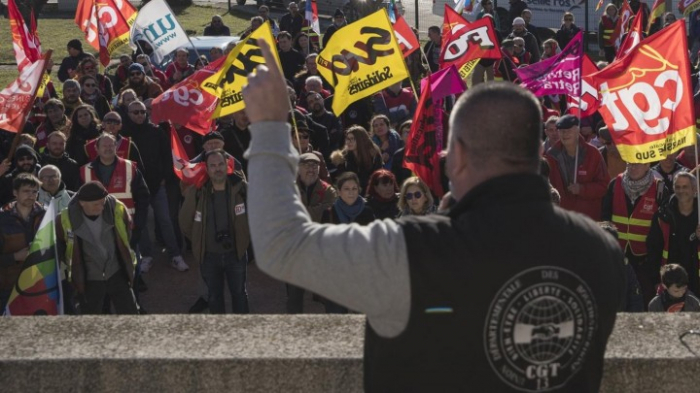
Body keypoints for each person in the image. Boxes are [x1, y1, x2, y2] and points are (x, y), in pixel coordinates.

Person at [242, 41, 625, 391]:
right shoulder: (602, 252)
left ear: (455, 153)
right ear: (536, 155)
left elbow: (282, 245)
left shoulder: (413, 249)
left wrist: (271, 128)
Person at [179, 149, 251, 314]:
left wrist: (246, 236)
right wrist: (198, 239)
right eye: (212, 165)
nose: (217, 168)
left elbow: (258, 214)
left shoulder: (241, 188)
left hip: (236, 254)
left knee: (239, 295)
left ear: (227, 165)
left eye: (220, 164)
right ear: (207, 168)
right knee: (214, 297)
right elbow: (184, 221)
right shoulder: (198, 191)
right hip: (209, 256)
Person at [56, 181, 140, 315]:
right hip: (88, 278)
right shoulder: (64, 219)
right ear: (82, 203)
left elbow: (127, 234)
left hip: (117, 272)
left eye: (103, 202)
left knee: (130, 312)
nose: (101, 207)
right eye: (96, 204)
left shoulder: (117, 208)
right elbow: (61, 247)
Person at [126, 101, 188, 273]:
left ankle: (175, 255)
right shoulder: (125, 134)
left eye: (142, 112)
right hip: (136, 188)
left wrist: (164, 178)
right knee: (142, 223)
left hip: (157, 185)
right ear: (128, 114)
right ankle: (147, 256)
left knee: (166, 221)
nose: (139, 115)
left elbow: (167, 157)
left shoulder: (156, 131)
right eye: (135, 112)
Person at [602, 162, 666, 307]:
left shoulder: (659, 188)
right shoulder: (615, 184)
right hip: (618, 254)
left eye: (637, 164)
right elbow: (605, 216)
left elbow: (662, 227)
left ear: (647, 165)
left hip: (646, 259)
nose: (632, 167)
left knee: (645, 298)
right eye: (630, 164)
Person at [80, 133, 150, 249]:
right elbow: (79, 201)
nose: (108, 148)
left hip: (126, 226)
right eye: (104, 146)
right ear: (96, 149)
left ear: (116, 147)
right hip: (96, 228)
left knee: (130, 263)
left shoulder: (130, 168)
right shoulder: (85, 171)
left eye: (111, 145)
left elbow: (143, 197)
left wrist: (138, 224)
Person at [287, 152, 337, 313]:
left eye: (315, 166)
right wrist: (316, 211)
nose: (311, 169)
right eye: (307, 165)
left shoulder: (328, 190)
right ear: (298, 168)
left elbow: (328, 214)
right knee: (294, 296)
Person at [546, 114, 609, 221]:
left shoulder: (593, 154)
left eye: (568, 130)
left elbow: (604, 186)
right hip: (562, 219)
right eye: (561, 130)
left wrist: (582, 189)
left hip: (588, 220)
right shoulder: (551, 155)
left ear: (577, 130)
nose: (564, 134)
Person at [647, 172, 700, 295]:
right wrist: (656, 280)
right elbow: (653, 248)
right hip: (670, 280)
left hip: (696, 279)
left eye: (685, 187)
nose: (681, 191)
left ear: (694, 189)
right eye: (677, 187)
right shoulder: (663, 215)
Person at [0, 174, 45, 310]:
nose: (31, 195)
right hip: (8, 285)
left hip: (39, 282)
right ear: (15, 193)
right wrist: (15, 257)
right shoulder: (2, 219)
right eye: (26, 191)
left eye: (34, 191)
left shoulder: (46, 215)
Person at [331, 126, 383, 192]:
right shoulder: (342, 158)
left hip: (371, 191)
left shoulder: (374, 156)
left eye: (352, 139)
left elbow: (377, 177)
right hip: (350, 192)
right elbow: (341, 179)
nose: (348, 142)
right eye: (347, 139)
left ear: (360, 140)